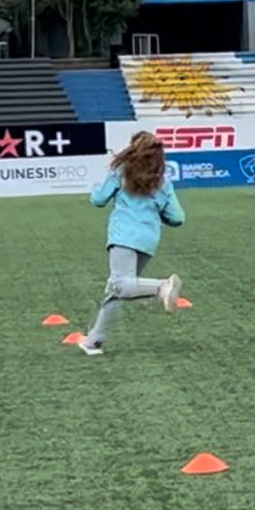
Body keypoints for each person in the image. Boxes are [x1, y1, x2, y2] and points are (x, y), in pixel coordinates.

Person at [79, 131, 185, 356]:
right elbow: (177, 218)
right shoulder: (162, 183)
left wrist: (97, 189)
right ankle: (94, 340)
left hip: (123, 236)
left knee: (120, 285)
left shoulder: (121, 172)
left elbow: (98, 200)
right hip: (148, 240)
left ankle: (161, 287)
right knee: (115, 290)